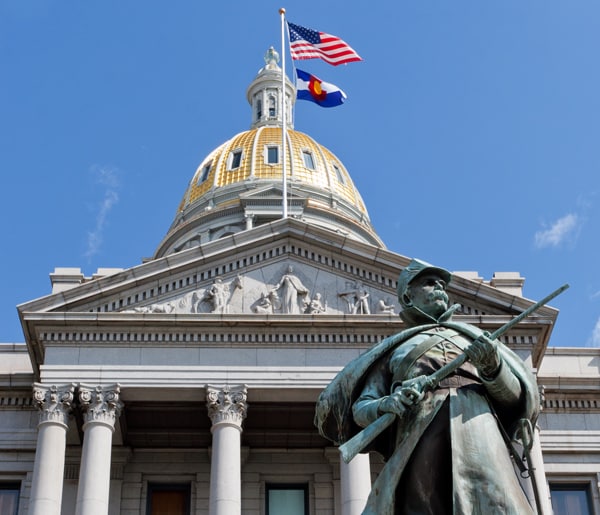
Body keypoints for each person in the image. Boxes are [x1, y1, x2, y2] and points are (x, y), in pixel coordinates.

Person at [315, 259, 539, 515]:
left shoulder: (473, 337)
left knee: (499, 503)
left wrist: (493, 368)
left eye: (442, 284)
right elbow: (361, 409)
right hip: (420, 437)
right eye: (430, 283)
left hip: (479, 433)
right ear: (408, 296)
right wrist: (389, 402)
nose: (440, 288)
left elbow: (515, 399)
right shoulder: (395, 350)